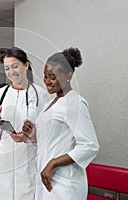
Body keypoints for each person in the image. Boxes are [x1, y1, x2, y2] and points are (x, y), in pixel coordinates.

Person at [15, 47, 100, 199]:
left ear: (68, 75)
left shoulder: (74, 103)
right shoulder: (52, 102)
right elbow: (51, 141)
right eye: (45, 76)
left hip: (65, 183)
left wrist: (53, 163)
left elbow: (90, 145)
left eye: (52, 77)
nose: (47, 81)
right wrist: (32, 134)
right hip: (47, 179)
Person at [0, 47, 49, 200]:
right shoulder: (0, 94)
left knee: (26, 193)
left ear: (26, 65)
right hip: (6, 156)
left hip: (29, 154)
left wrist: (30, 134)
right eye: (7, 68)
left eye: (15, 66)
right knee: (4, 194)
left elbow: (47, 131)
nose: (11, 72)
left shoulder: (40, 94)